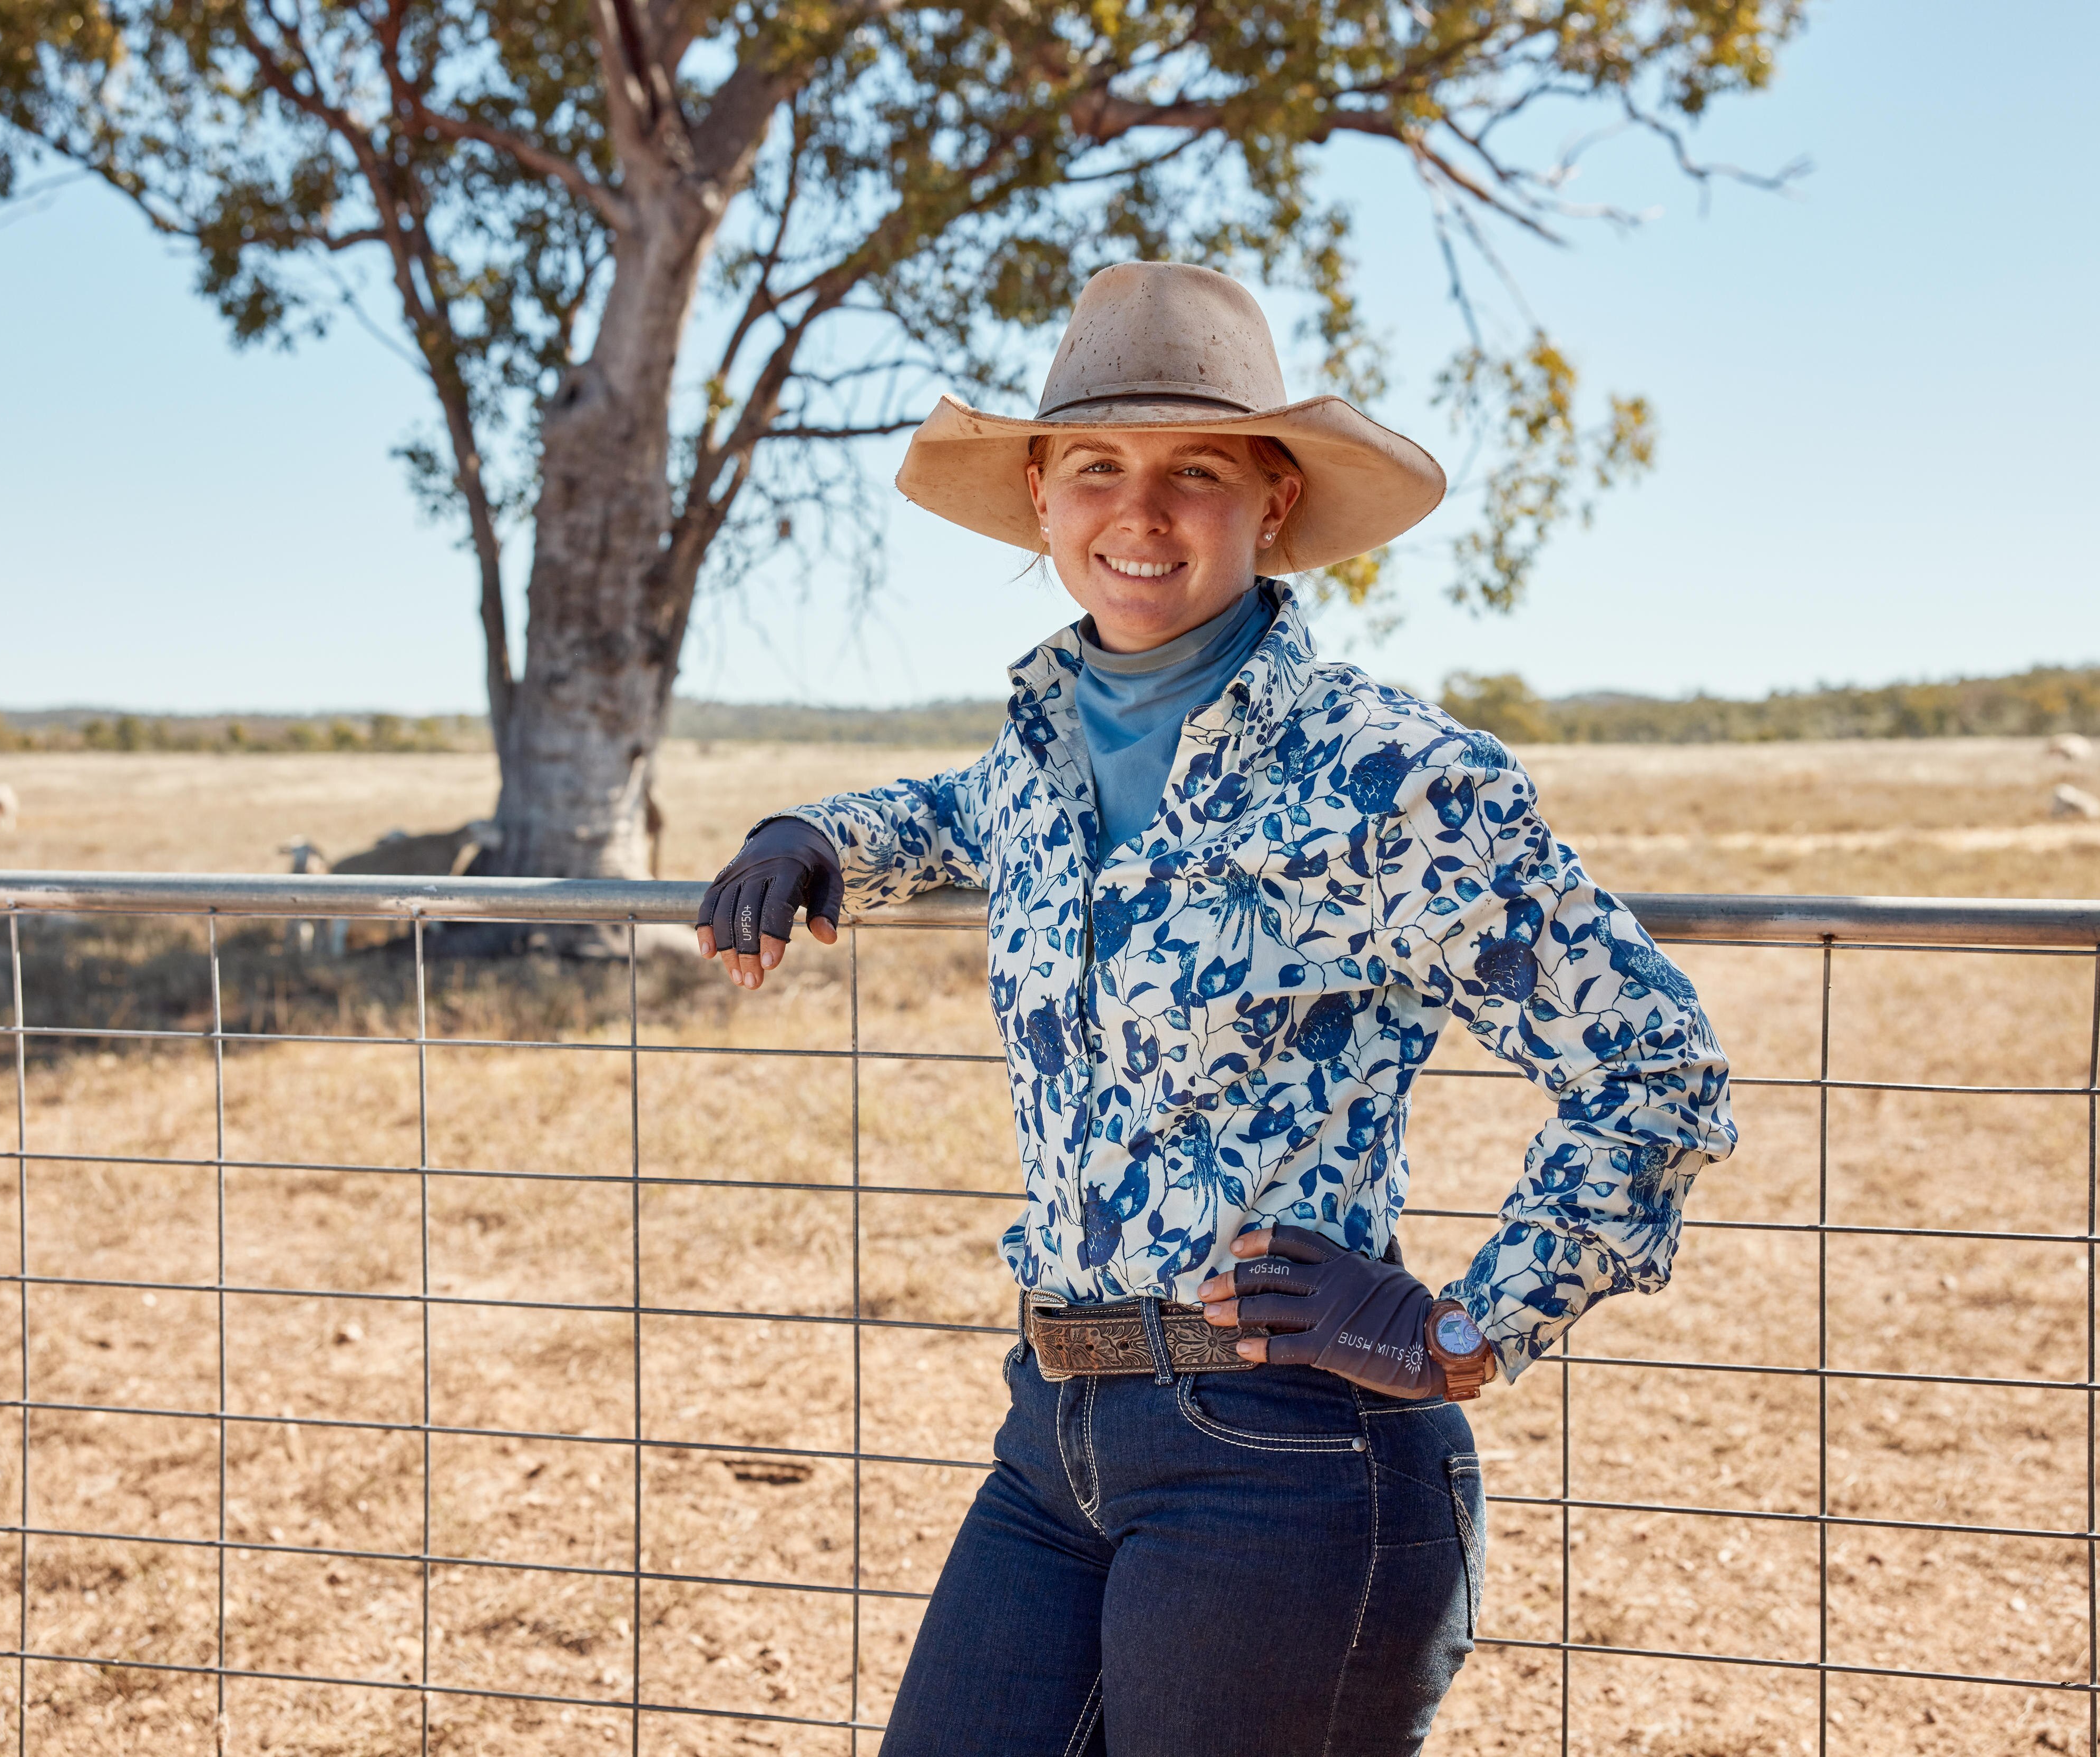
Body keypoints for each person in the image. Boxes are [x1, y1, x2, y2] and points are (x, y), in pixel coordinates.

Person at [694, 262, 1736, 1756]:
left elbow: (1653, 1066)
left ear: (1275, 507)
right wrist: (815, 839)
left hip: (1290, 1463)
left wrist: (1466, 1327)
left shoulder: (1395, 778)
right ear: (1045, 498)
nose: (1143, 510)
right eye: (1101, 468)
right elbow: (948, 809)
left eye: (1198, 470)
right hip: (1052, 1434)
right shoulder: (1034, 766)